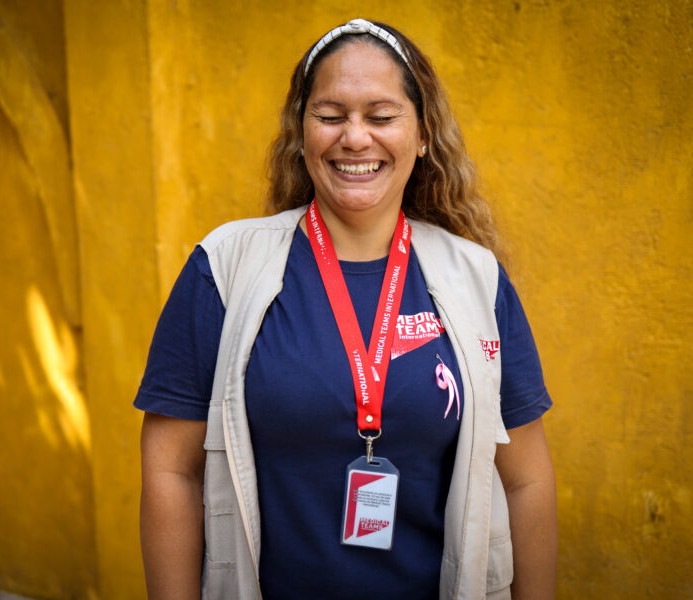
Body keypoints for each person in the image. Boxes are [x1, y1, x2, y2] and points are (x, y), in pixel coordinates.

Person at [136, 18, 557, 600]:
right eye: (330, 116)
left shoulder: (475, 279)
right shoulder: (224, 268)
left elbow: (527, 481)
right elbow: (170, 472)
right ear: (300, 133)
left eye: (381, 116)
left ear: (423, 134)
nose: (354, 138)